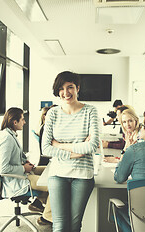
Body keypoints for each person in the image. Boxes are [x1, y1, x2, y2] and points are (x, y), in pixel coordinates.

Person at [42, 71, 100, 232]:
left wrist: (60, 145)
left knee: (74, 226)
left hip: (83, 175)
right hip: (58, 174)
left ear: (78, 88)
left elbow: (92, 146)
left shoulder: (90, 111)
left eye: (70, 87)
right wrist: (75, 151)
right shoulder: (52, 113)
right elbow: (46, 148)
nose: (65, 93)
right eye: (61, 88)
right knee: (59, 226)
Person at [0, 107, 52, 226]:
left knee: (50, 170)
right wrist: (23, 168)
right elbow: (3, 169)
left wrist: (25, 162)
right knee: (55, 184)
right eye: (22, 119)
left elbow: (15, 157)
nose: (24, 122)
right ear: (14, 122)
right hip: (16, 180)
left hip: (22, 173)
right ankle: (47, 217)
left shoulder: (11, 135)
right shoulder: (6, 138)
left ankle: (41, 204)